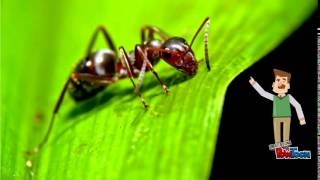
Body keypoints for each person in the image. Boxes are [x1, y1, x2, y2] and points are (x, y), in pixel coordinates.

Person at [249, 69, 306, 146]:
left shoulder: (289, 97)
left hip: (287, 117)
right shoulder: (274, 97)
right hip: (276, 117)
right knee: (277, 135)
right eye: (278, 80)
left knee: (286, 135)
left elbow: (297, 106)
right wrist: (254, 83)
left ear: (288, 85)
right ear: (273, 85)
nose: (280, 83)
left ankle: (285, 148)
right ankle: (278, 147)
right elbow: (263, 93)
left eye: (283, 81)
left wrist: (301, 119)